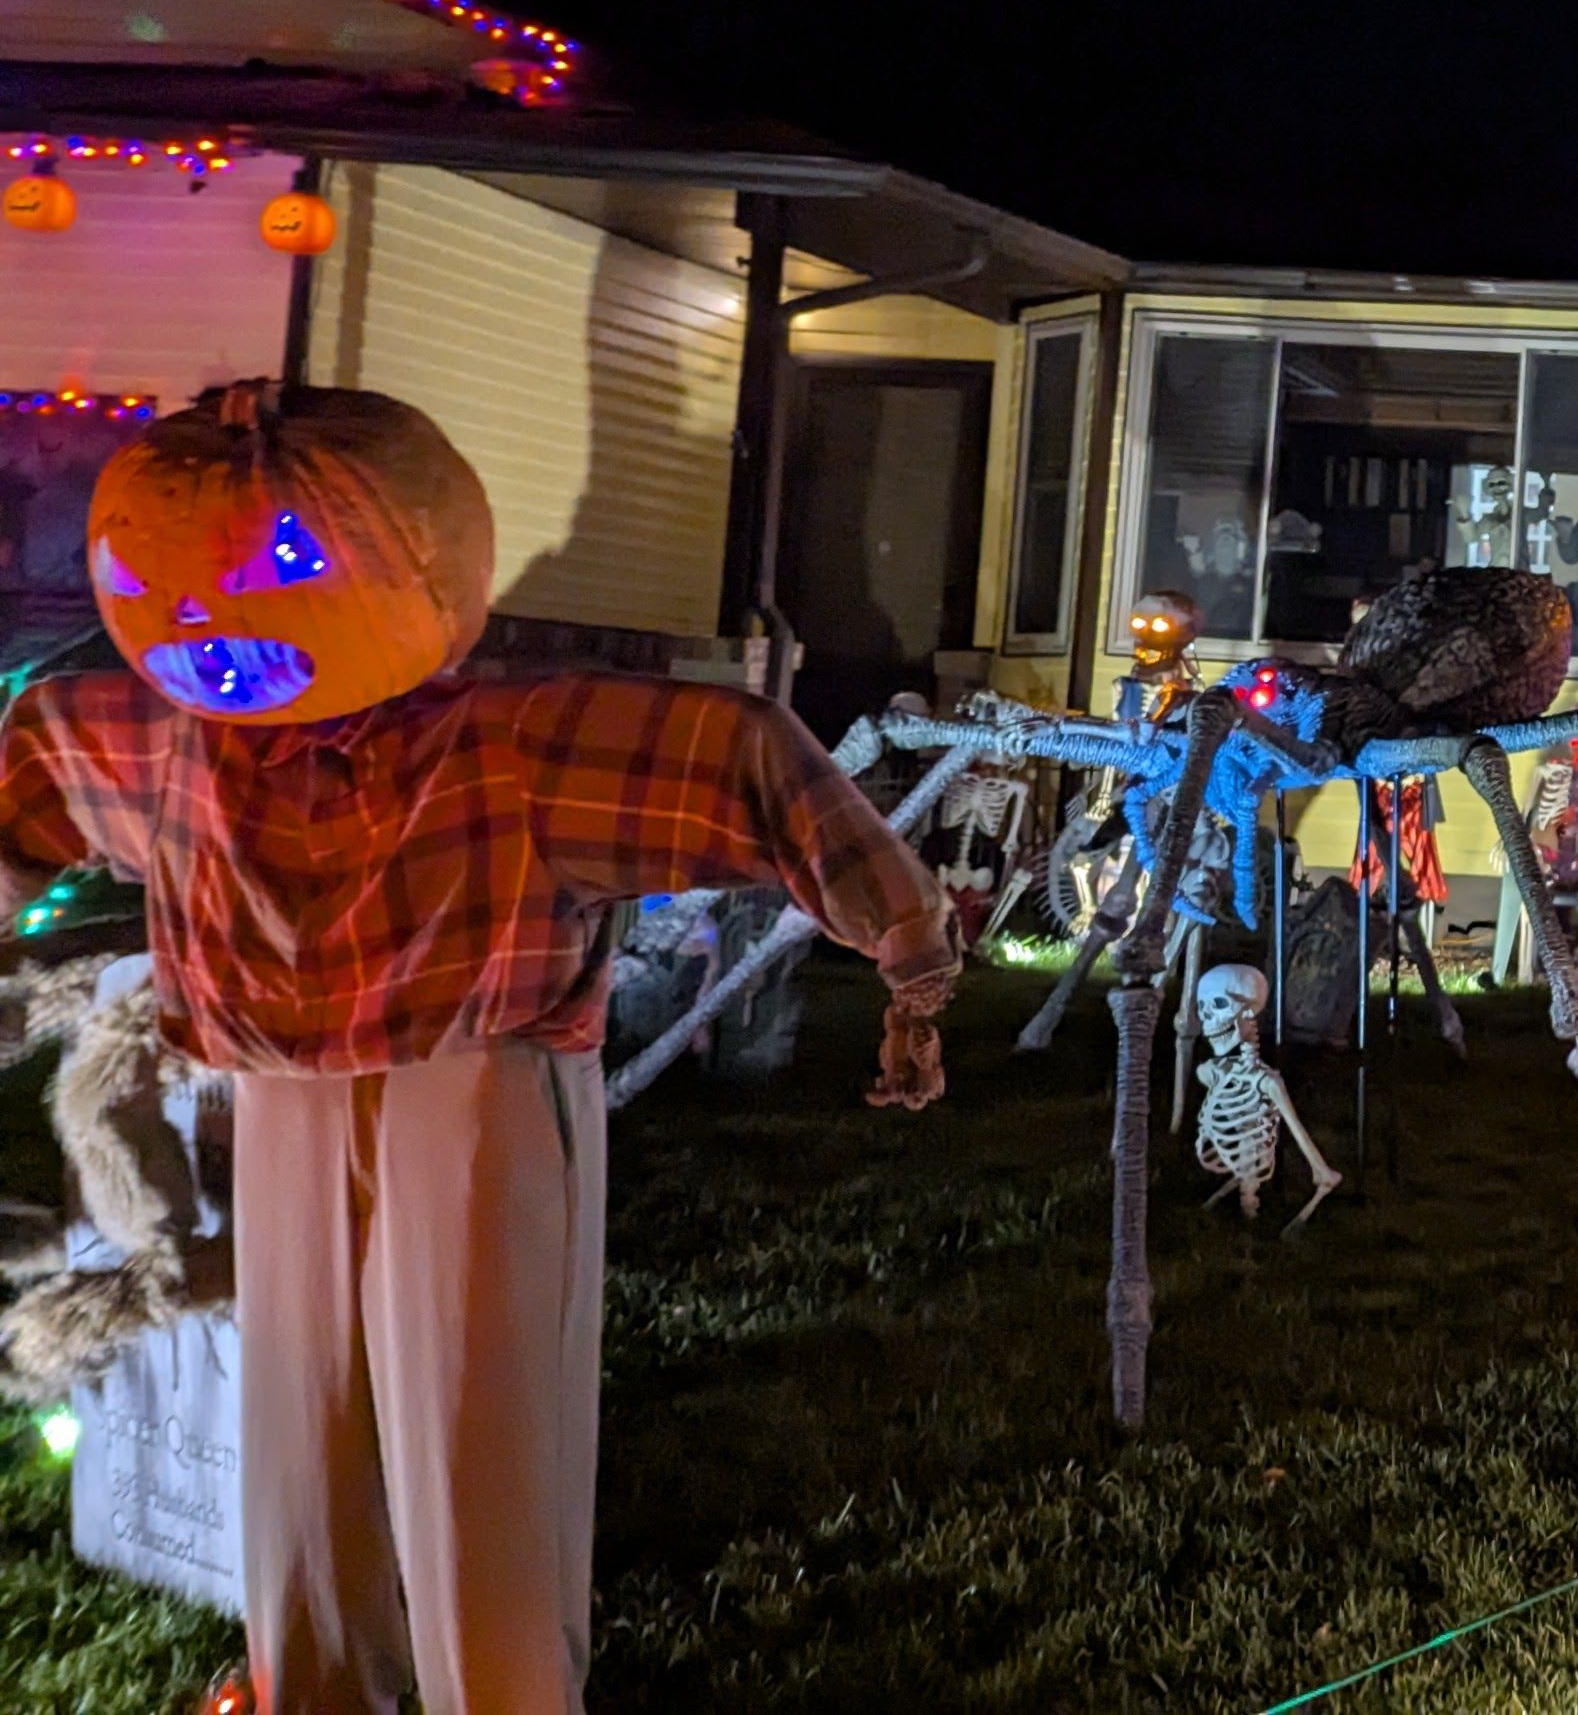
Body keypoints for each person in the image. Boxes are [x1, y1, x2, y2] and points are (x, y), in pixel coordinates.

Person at [0, 382, 954, 1714]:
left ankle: (491, 1693)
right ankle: (316, 1683)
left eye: (283, 563)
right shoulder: (173, 749)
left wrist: (904, 949)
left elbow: (741, 764)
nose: (215, 611)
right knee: (301, 1409)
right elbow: (35, 775)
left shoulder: (507, 748)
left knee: (475, 1417)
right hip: (278, 1090)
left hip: (475, 1080)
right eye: (168, 577)